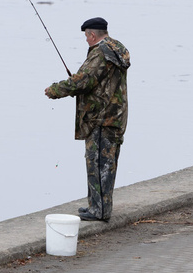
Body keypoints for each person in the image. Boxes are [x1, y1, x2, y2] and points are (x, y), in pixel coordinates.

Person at [44, 17, 130, 222]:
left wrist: (55, 90)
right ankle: (100, 207)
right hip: (115, 115)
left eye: (86, 36)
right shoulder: (117, 47)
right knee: (107, 165)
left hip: (101, 117)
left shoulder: (100, 53)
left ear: (92, 35)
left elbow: (84, 80)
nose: (85, 40)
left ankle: (98, 210)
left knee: (98, 163)